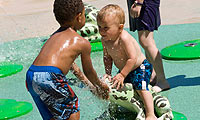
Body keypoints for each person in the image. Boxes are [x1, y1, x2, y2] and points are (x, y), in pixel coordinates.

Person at [25, 0, 109, 120]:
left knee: (53, 115)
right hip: (50, 76)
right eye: (84, 15)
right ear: (79, 17)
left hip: (31, 76)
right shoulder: (81, 42)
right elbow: (89, 71)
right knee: (72, 111)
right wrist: (100, 86)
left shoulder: (53, 36)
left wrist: (91, 87)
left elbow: (75, 69)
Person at [97, 4, 157, 120]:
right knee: (115, 88)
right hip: (125, 70)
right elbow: (107, 57)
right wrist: (108, 73)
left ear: (120, 28)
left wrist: (122, 74)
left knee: (141, 87)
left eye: (106, 28)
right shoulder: (105, 40)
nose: (101, 31)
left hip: (140, 67)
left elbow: (132, 59)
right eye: (99, 27)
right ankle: (114, 109)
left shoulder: (124, 38)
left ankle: (151, 114)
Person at [127, 0, 170, 92]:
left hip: (144, 3)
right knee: (145, 41)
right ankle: (153, 75)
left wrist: (139, 3)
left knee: (146, 41)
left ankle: (162, 80)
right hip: (141, 3)